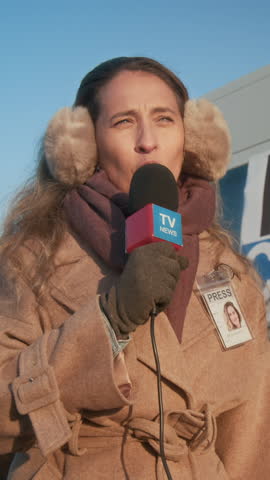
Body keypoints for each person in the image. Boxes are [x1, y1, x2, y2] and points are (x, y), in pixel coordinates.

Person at [0, 56, 269, 480]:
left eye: (164, 118)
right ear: (83, 146)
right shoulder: (31, 261)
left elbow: (250, 435)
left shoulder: (231, 269)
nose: (148, 140)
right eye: (124, 121)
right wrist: (109, 320)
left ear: (191, 136)